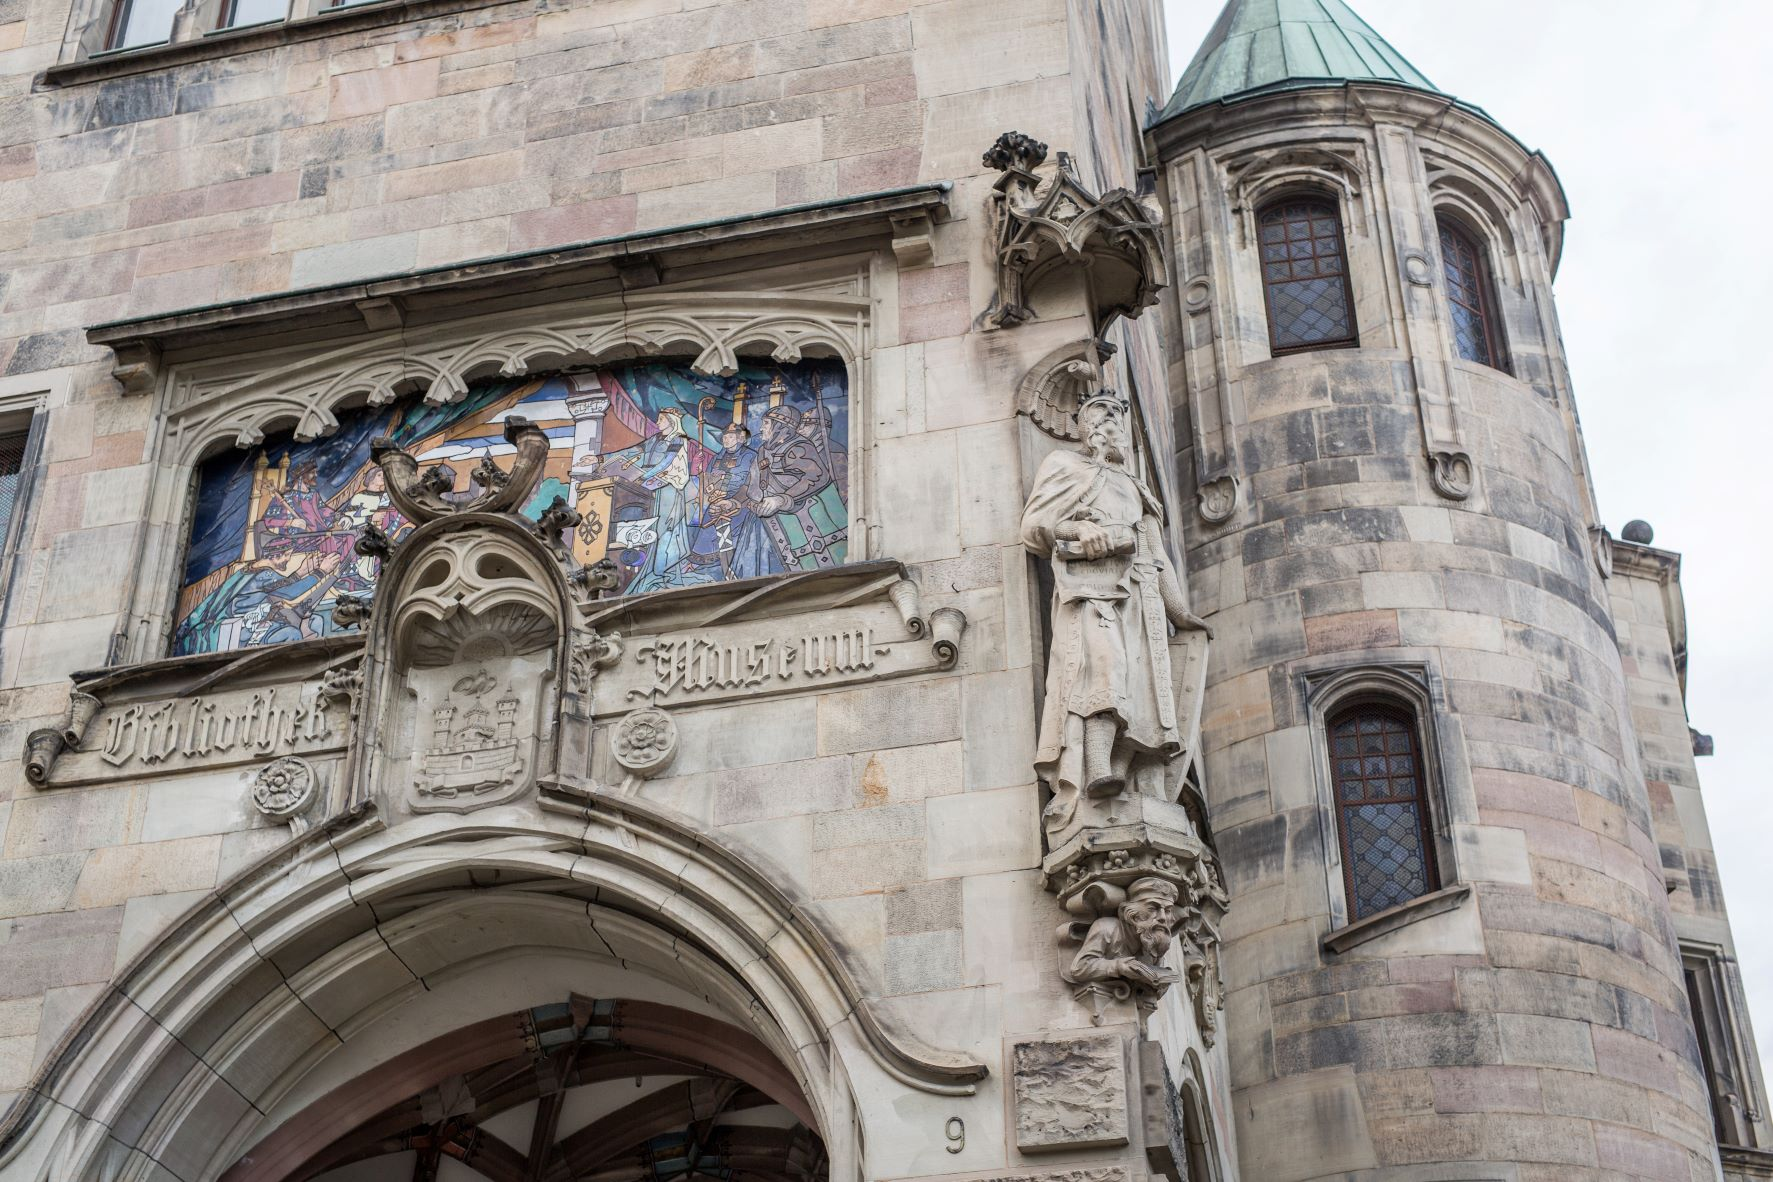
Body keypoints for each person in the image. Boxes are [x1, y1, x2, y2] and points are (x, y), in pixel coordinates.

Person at [1019, 391, 1212, 832]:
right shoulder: (1065, 468)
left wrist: (1180, 614)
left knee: (1143, 692)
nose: (1111, 425)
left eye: (1116, 418)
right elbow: (1035, 528)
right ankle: (1094, 764)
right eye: (1100, 416)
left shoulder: (1136, 487)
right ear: (1084, 429)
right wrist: (1080, 528)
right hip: (1093, 591)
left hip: (1141, 599)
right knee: (1104, 668)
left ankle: (1118, 776)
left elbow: (1156, 554)